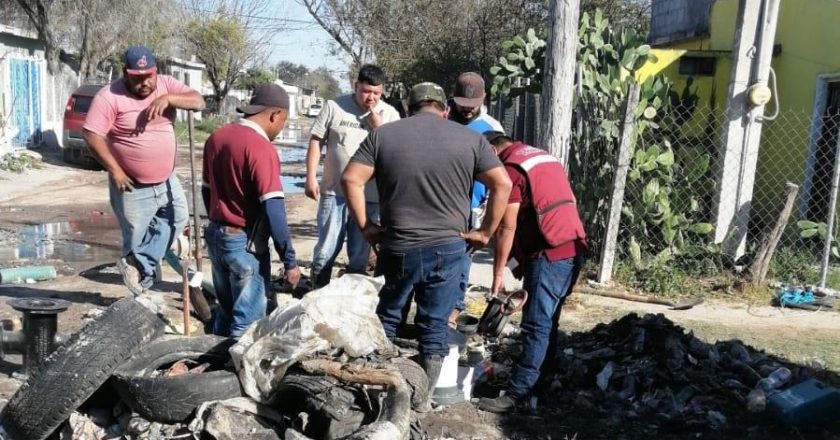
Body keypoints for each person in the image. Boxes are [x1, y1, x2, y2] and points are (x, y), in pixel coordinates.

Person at [341, 82, 512, 407]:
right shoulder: (472, 140)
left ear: (408, 108)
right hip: (448, 248)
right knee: (434, 326)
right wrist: (485, 232)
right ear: (444, 109)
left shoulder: (385, 135)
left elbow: (351, 178)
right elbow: (502, 183)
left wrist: (367, 227)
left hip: (398, 243)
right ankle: (422, 400)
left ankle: (379, 391)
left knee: (389, 316)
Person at [477, 131, 587, 413]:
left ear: (491, 149)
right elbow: (570, 198)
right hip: (572, 246)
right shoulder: (541, 157)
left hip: (549, 253)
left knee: (536, 325)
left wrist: (498, 273)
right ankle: (540, 383)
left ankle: (517, 394)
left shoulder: (511, 169)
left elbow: (506, 226)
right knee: (548, 323)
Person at [84, 46, 205, 296]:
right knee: (136, 238)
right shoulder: (109, 96)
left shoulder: (166, 84)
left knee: (177, 220)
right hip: (132, 185)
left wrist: (170, 99)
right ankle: (141, 293)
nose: (145, 83)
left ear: (156, 71)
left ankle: (136, 264)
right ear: (125, 74)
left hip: (167, 180)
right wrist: (115, 170)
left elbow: (198, 101)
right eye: (137, 78)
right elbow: (91, 134)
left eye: (149, 76)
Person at [201, 84, 301, 338]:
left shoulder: (217, 138)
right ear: (274, 115)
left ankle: (214, 365)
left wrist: (219, 217)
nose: (281, 129)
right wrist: (289, 261)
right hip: (243, 243)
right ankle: (234, 375)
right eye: (283, 122)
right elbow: (273, 209)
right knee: (247, 323)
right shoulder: (260, 147)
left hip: (216, 235)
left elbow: (206, 191)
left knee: (225, 311)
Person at [304, 64, 400, 289]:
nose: (371, 97)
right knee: (325, 252)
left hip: (370, 198)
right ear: (356, 86)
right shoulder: (334, 106)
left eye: (376, 93)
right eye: (366, 91)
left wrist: (380, 129)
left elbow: (396, 153)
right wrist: (310, 177)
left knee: (359, 256)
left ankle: (351, 301)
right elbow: (316, 141)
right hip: (334, 193)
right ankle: (317, 293)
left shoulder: (391, 114)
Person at [447, 71, 505, 327]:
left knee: (463, 260)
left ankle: (455, 309)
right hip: (441, 202)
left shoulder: (492, 128)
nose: (468, 111)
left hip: (472, 207)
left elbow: (499, 173)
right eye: (463, 105)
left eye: (473, 106)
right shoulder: (442, 118)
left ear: (484, 98)